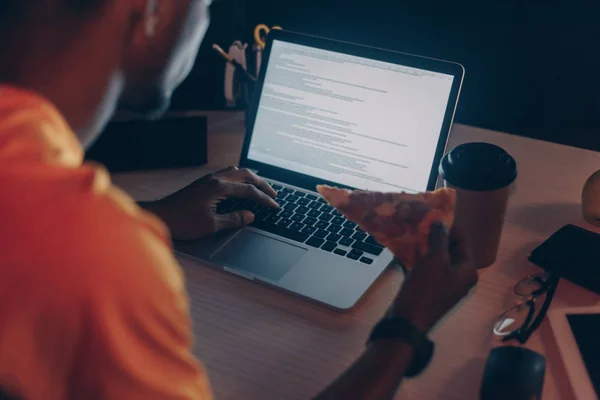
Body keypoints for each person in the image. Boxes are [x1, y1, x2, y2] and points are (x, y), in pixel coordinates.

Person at [0, 1, 478, 399]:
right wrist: (405, 329)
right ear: (151, 10)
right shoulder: (105, 257)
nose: (204, 20)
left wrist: (153, 215)